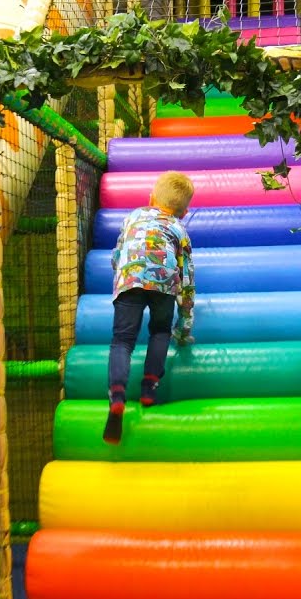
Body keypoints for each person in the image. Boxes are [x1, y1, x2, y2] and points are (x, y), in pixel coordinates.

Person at [103, 170, 196, 445]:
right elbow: (188, 278)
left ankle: (117, 395)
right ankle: (149, 387)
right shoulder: (179, 229)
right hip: (163, 284)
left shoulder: (132, 216)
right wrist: (185, 323)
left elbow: (117, 254)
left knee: (122, 341)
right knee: (159, 332)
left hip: (129, 279)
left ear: (151, 198)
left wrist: (123, 276)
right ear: (185, 211)